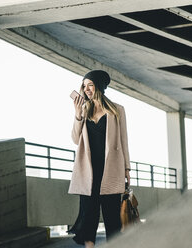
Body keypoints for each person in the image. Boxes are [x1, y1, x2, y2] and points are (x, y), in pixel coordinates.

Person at [66, 70, 131, 248]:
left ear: (99, 86)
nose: (86, 89)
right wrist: (77, 113)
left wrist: (127, 168)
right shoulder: (84, 110)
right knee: (88, 216)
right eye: (84, 85)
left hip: (111, 170)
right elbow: (74, 138)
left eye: (90, 85)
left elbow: (124, 140)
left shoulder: (117, 110)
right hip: (88, 171)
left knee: (112, 217)